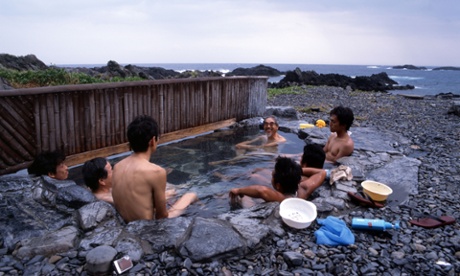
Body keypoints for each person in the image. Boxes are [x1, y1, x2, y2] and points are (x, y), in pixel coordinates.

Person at [111, 115, 198, 222]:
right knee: (190, 195)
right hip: (147, 228)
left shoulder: (117, 167)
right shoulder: (156, 172)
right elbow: (161, 216)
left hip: (126, 225)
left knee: (171, 192)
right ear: (152, 140)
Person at [228, 156, 301, 205]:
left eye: (272, 176)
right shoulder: (299, 191)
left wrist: (238, 190)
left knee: (244, 198)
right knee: (255, 177)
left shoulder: (283, 199)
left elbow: (261, 191)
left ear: (278, 186)